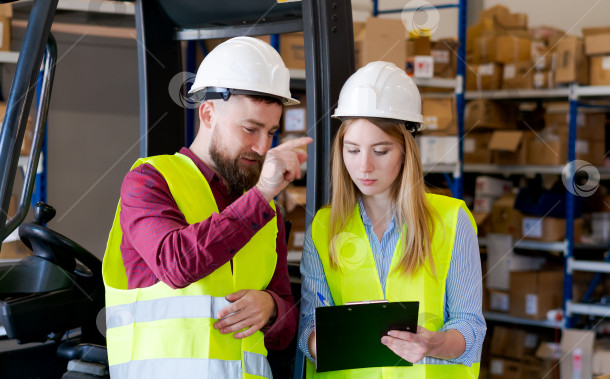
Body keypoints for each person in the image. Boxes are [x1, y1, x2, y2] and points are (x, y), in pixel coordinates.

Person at [102, 36, 310, 379]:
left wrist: (271, 308)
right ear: (208, 113)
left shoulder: (265, 211)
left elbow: (286, 330)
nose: (261, 147)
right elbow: (177, 264)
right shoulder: (150, 180)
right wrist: (260, 196)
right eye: (250, 129)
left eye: (271, 132)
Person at [298, 61, 486, 378]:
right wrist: (329, 340)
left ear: (405, 150)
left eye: (381, 151)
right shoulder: (324, 226)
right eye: (352, 150)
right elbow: (308, 324)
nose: (364, 167)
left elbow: (470, 325)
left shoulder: (451, 220)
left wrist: (434, 344)